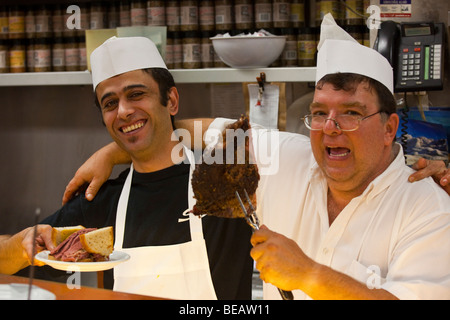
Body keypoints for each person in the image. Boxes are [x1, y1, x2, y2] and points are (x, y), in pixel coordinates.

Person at [62, 15, 450, 300]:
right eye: (319, 113)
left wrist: (310, 275)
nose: (330, 127)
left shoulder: (429, 208)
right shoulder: (286, 158)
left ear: (389, 127)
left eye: (351, 112)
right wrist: (113, 150)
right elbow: (201, 129)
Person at [1, 36, 253, 300]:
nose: (123, 111)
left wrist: (112, 151)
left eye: (136, 94)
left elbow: (256, 139)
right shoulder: (100, 201)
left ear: (172, 100)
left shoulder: (227, 184)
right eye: (110, 103)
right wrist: (20, 246)